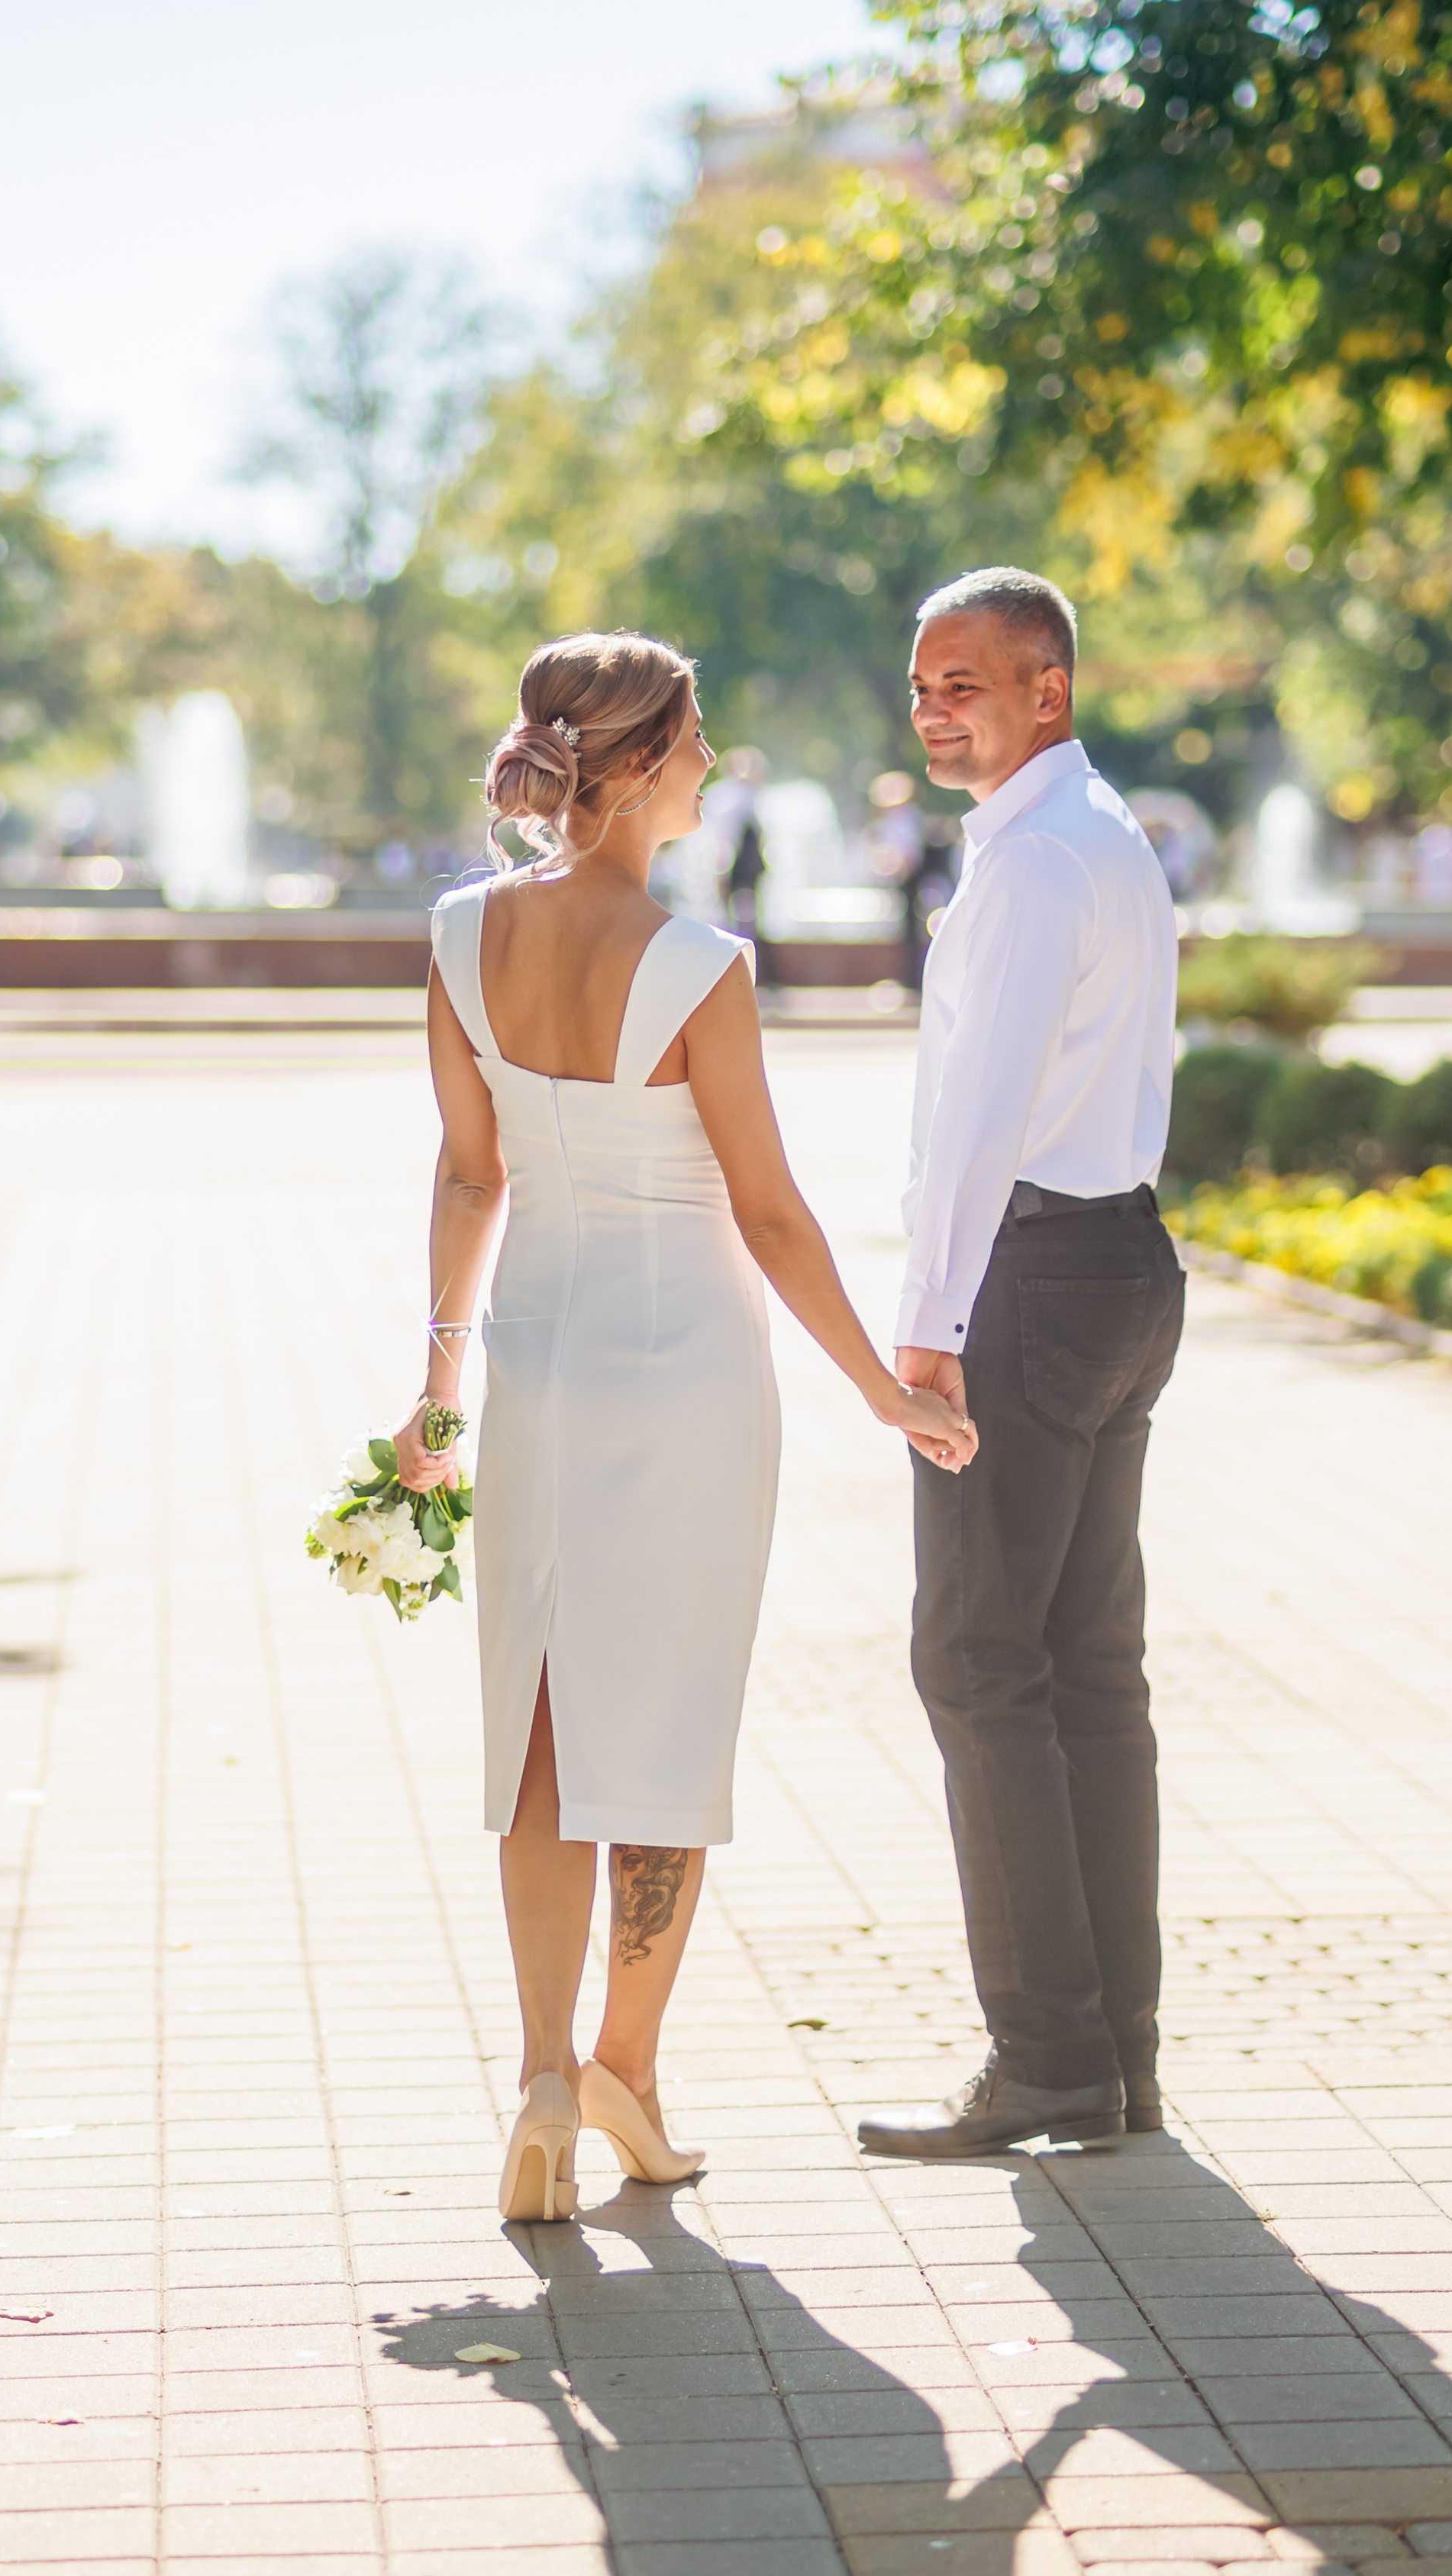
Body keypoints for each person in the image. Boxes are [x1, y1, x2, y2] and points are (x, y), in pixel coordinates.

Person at [395, 632, 975, 2222]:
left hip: (538, 1352)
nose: (713, 761)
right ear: (638, 762)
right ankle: (622, 2069)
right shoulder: (698, 968)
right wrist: (882, 1388)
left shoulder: (457, 938)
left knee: (533, 1720)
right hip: (689, 1373)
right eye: (697, 736)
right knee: (661, 1723)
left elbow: (468, 1176)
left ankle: (533, 2071)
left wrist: (437, 1381)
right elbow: (773, 1217)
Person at [857, 568, 1184, 2164]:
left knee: (979, 1667)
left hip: (1032, 1285)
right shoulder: (1098, 836)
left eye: (965, 681)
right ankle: (1111, 2052)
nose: (934, 706)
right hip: (1119, 1261)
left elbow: (978, 1110)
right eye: (922, 682)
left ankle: (1048, 2061)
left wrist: (922, 1326)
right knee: (1081, 1672)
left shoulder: (1032, 865)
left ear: (1046, 688)